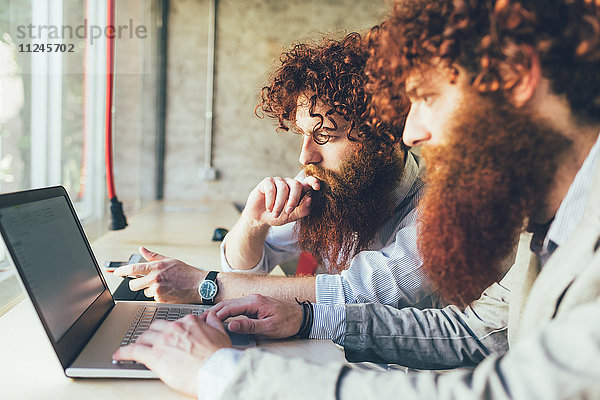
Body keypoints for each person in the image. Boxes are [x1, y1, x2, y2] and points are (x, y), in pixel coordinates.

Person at [115, 0, 600, 398]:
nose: (410, 132)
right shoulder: (553, 224)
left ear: (515, 74)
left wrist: (221, 373)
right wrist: (308, 315)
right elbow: (476, 334)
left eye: (426, 97)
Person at [113, 33, 438, 318]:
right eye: (303, 134)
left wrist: (202, 284)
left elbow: (355, 295)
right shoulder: (334, 183)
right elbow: (243, 268)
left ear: (385, 134)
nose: (305, 155)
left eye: (325, 135)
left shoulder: (440, 208)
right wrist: (254, 224)